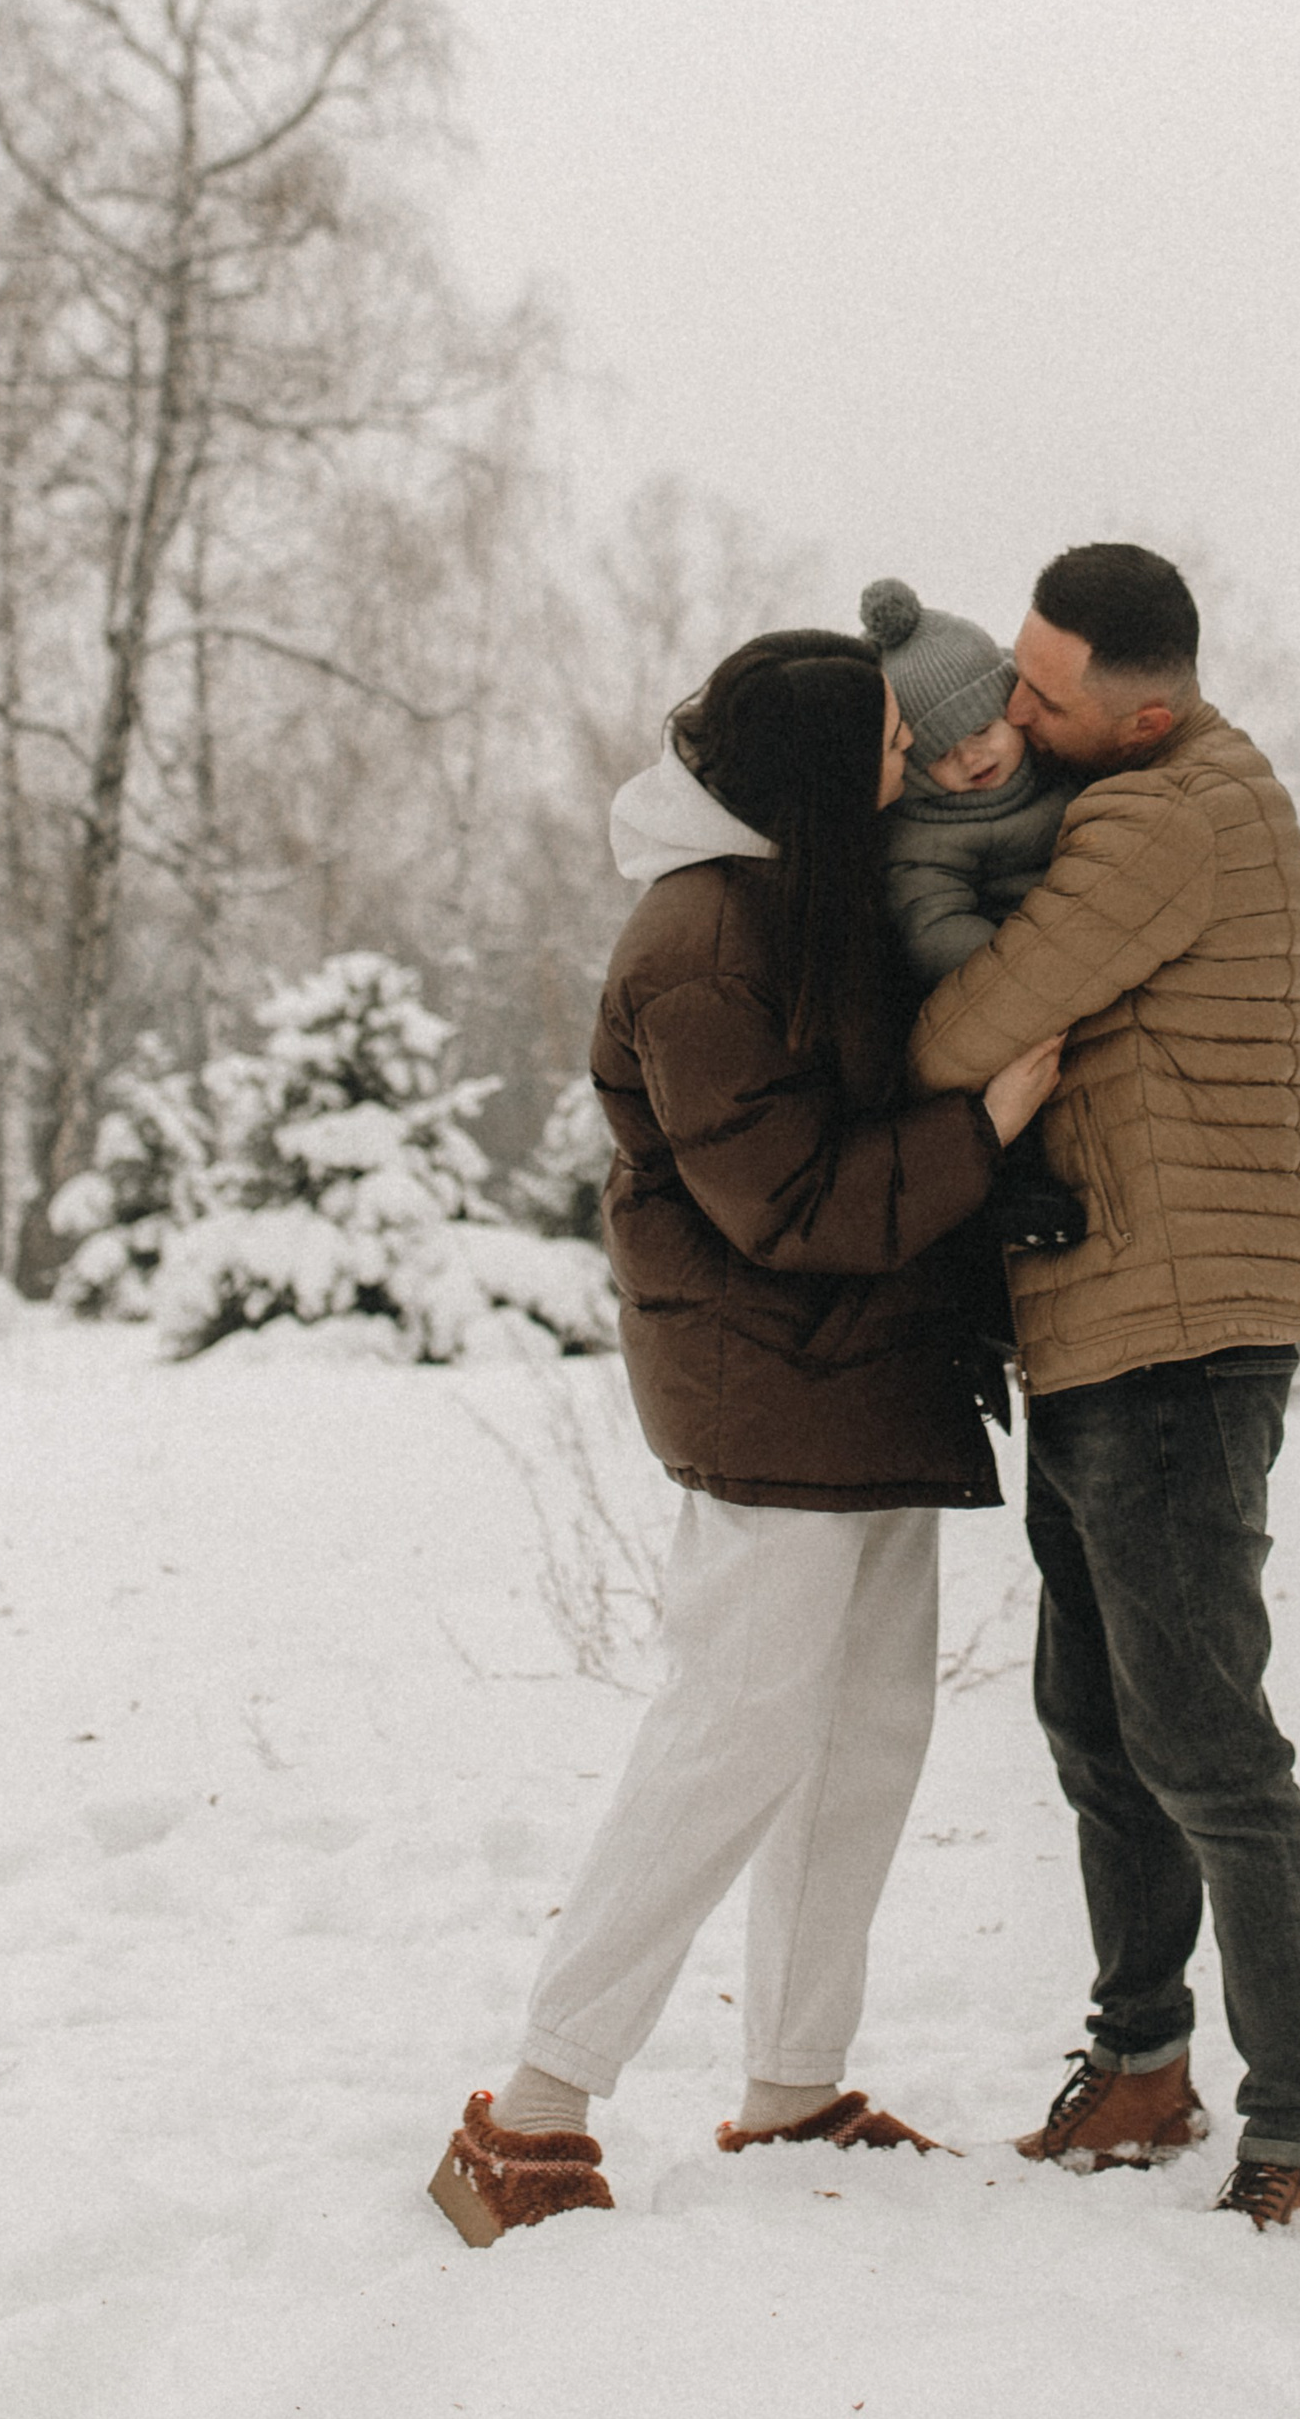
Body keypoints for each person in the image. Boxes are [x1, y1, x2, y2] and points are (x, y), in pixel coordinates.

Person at [427, 628, 1064, 2247]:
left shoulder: (798, 889)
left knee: (862, 1742)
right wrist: (980, 1126)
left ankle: (795, 2082)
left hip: (860, 1379)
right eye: (886, 747)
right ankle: (531, 2110)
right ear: (807, 765)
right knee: (730, 1742)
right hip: (771, 1385)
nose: (914, 766)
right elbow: (783, 1198)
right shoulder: (703, 937)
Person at [907, 545, 1300, 2260]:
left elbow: (974, 1029)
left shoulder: (1158, 814)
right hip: (1113, 1321)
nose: (1014, 718)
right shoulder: (1145, 784)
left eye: (1043, 694)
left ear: (1145, 708)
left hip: (1173, 1334)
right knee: (1100, 1727)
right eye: (1015, 673)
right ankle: (1146, 2062)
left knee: (1208, 1749)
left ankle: (1299, 2133)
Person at [857, 575, 1087, 1259]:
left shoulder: (1063, 774)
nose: (970, 756)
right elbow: (931, 924)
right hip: (996, 983)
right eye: (939, 752)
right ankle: (1013, 1192)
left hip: (1076, 955)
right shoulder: (921, 832)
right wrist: (1026, 974)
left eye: (981, 729)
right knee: (996, 1088)